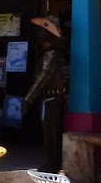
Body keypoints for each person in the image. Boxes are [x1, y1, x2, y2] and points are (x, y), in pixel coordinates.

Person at [23, 16, 69, 172]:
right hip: (49, 98)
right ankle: (51, 163)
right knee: (49, 133)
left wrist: (28, 98)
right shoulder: (48, 52)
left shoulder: (51, 53)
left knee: (52, 134)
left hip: (52, 98)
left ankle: (53, 164)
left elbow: (44, 76)